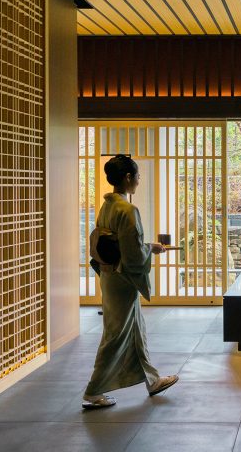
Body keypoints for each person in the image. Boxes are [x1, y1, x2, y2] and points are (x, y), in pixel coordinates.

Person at [82, 154, 178, 409]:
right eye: (137, 175)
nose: (138, 180)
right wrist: (151, 249)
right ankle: (93, 391)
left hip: (110, 275)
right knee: (117, 333)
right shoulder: (128, 210)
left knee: (135, 329)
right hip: (123, 278)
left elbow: (115, 244)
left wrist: (146, 247)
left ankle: (152, 380)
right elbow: (133, 254)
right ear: (128, 177)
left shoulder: (108, 207)